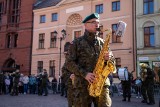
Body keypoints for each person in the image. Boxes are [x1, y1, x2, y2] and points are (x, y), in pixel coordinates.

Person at [65, 13, 116, 107]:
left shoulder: (103, 42)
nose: (97, 25)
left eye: (98, 22)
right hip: (82, 85)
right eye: (93, 22)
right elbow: (69, 63)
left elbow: (113, 63)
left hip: (101, 84)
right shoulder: (76, 43)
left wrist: (108, 59)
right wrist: (85, 74)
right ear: (85, 25)